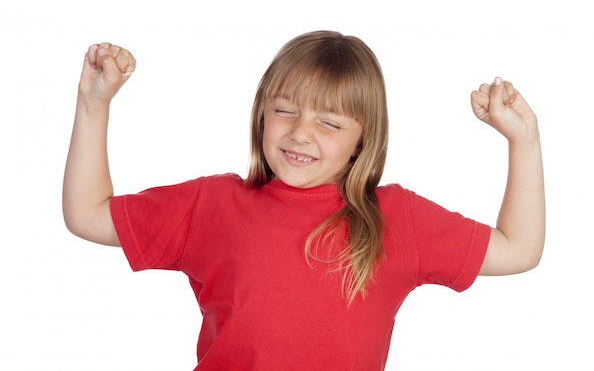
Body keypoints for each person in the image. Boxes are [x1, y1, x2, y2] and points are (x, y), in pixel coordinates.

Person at [62, 31, 545, 370]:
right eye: (285, 111)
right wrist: (93, 103)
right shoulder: (212, 203)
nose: (300, 133)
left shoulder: (397, 219)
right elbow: (88, 214)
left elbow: (518, 249)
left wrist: (523, 142)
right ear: (262, 116)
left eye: (330, 123)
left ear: (362, 139)